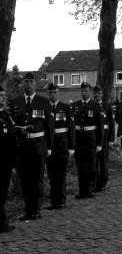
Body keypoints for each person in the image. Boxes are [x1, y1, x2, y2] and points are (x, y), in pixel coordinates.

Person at [9, 72, 54, 221]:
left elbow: (49, 126)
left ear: (35, 83)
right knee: (25, 180)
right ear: (23, 83)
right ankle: (28, 210)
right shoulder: (15, 102)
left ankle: (36, 210)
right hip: (22, 147)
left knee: (37, 179)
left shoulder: (44, 102)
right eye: (26, 81)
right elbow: (12, 126)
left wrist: (49, 147)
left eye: (31, 81)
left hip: (38, 146)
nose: (28, 84)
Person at [72, 82, 104, 199]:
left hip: (91, 139)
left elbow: (100, 126)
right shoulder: (75, 105)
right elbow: (72, 125)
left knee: (91, 166)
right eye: (82, 91)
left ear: (90, 92)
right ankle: (82, 191)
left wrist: (100, 143)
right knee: (81, 167)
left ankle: (90, 189)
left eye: (86, 91)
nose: (84, 93)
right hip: (79, 139)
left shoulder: (95, 106)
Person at [46, 82, 75, 210]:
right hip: (49, 146)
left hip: (62, 145)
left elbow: (71, 128)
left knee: (61, 174)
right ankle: (53, 201)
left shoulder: (66, 108)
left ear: (59, 93)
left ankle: (61, 200)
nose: (53, 95)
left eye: (55, 92)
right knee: (52, 175)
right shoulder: (45, 108)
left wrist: (72, 147)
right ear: (48, 94)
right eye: (51, 92)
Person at [0, 85, 16, 232]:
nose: (3, 99)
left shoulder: (6, 114)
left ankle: (2, 221)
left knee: (3, 191)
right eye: (0, 96)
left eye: (4, 96)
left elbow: (11, 136)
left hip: (7, 160)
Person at [93, 85, 115, 191]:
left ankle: (104, 181)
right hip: (94, 138)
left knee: (103, 161)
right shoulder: (91, 105)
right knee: (94, 162)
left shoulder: (107, 106)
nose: (97, 95)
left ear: (102, 94)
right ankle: (95, 182)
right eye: (95, 93)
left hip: (105, 138)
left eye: (99, 93)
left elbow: (111, 123)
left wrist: (111, 139)